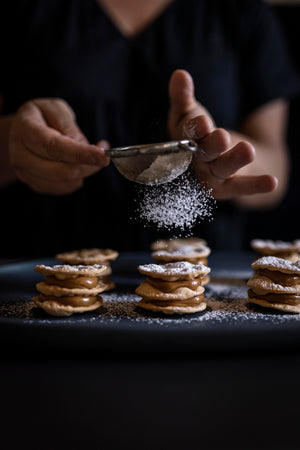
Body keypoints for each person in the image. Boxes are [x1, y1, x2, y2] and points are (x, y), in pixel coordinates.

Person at [0, 0, 299, 257]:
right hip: (37, 277)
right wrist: (12, 143)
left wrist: (221, 156)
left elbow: (275, 167)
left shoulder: (243, 11)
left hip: (208, 290)